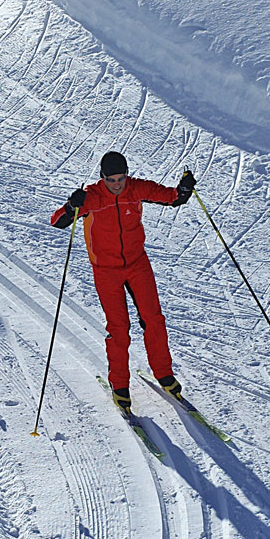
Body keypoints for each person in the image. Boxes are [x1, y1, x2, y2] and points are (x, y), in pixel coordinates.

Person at [51, 151, 196, 415]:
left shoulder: (136, 188)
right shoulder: (92, 197)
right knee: (119, 328)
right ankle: (120, 386)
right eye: (111, 180)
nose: (117, 184)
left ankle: (163, 374)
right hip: (106, 270)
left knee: (154, 318)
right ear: (102, 177)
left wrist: (184, 188)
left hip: (137, 263)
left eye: (121, 178)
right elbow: (57, 221)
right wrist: (73, 206)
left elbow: (173, 198)